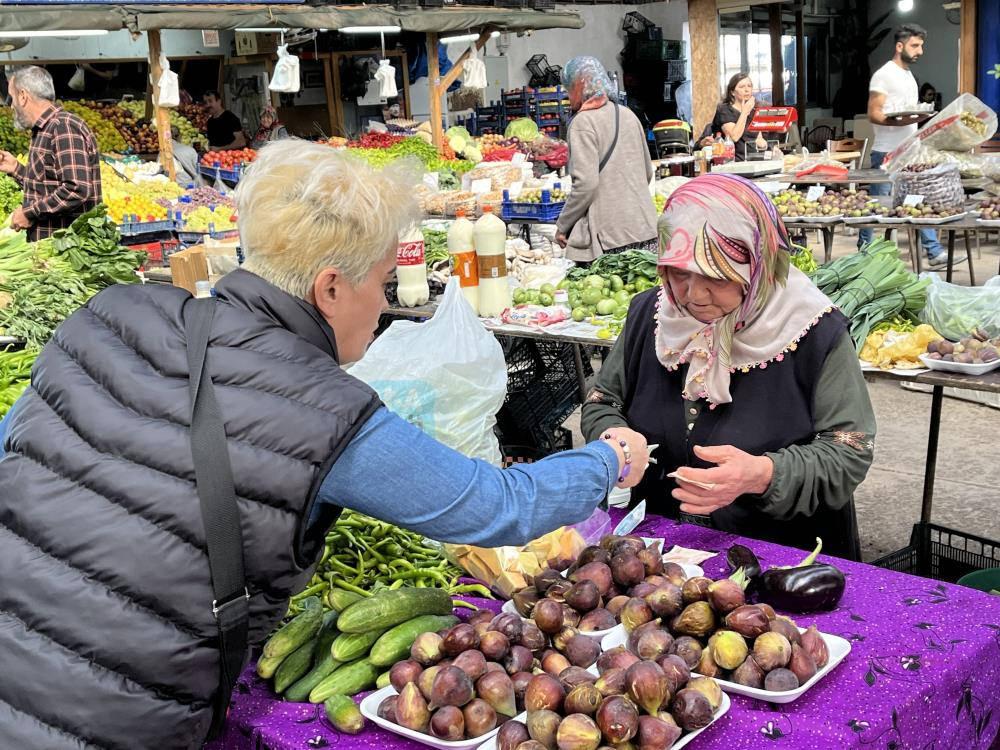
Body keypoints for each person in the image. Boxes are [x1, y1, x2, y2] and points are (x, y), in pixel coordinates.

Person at [0, 139, 649, 749]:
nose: (386, 304)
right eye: (383, 281)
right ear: (331, 288)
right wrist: (609, 459)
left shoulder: (107, 314)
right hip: (116, 718)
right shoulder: (324, 411)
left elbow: (16, 454)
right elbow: (494, 507)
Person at [581, 173, 876, 561]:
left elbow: (849, 451)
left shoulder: (814, 332)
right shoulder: (649, 316)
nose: (692, 295)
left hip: (781, 559)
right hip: (660, 555)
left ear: (757, 266)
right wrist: (614, 436)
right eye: (679, 273)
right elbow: (603, 400)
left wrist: (763, 474)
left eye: (717, 277)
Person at [861, 24, 951, 266]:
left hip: (909, 150)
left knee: (917, 199)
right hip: (887, 152)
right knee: (876, 205)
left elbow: (908, 114)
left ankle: (932, 251)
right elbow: (873, 114)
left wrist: (918, 119)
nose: (920, 50)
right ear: (899, 46)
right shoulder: (884, 74)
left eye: (921, 45)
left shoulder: (909, 76)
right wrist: (902, 119)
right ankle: (863, 252)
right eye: (915, 45)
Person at [555, 56, 657, 262]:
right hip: (645, 229)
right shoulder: (628, 115)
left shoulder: (582, 123)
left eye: (568, 89)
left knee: (609, 293)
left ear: (579, 85)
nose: (568, 97)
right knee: (644, 292)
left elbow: (586, 184)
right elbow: (647, 172)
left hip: (610, 238)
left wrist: (563, 225)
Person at [0, 66, 101, 240]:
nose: (12, 106)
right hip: (51, 250)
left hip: (67, 250)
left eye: (13, 98)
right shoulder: (45, 129)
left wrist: (29, 213)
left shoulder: (63, 128)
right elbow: (48, 186)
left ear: (23, 96)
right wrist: (16, 169)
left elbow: (76, 189)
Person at [711, 73, 768, 161]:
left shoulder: (753, 111)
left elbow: (759, 139)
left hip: (755, 159)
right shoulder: (724, 110)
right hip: (734, 161)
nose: (747, 90)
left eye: (749, 86)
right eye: (742, 87)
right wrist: (744, 112)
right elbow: (734, 137)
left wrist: (766, 146)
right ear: (732, 92)